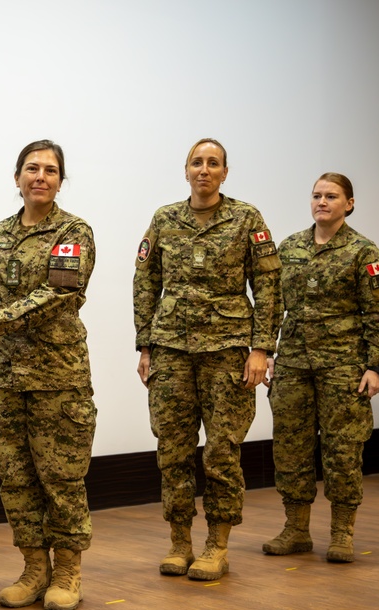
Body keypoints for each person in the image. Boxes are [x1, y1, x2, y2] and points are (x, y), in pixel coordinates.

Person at [0, 140, 97, 610]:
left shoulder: (74, 231)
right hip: (3, 378)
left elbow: (59, 295)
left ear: (60, 180)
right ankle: (35, 568)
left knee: (61, 477)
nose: (41, 176)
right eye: (32, 168)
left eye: (51, 170)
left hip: (58, 377)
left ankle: (68, 571)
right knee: (14, 478)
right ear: (16, 178)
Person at [134, 138, 281, 581]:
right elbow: (145, 282)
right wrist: (145, 345)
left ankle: (217, 544)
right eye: (197, 163)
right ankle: (180, 543)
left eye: (213, 163)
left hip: (228, 351)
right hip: (171, 350)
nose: (204, 170)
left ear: (224, 172)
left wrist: (261, 348)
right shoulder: (164, 219)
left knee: (222, 452)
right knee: (172, 452)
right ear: (185, 170)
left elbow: (270, 285)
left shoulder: (246, 218)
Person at [263, 172, 379, 563]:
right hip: (292, 365)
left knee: (342, 451)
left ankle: (342, 533)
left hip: (343, 367)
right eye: (317, 195)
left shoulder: (364, 252)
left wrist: (375, 366)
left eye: (332, 196)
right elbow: (272, 306)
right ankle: (296, 529)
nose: (322, 202)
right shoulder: (288, 248)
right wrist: (266, 350)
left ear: (349, 204)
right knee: (290, 448)